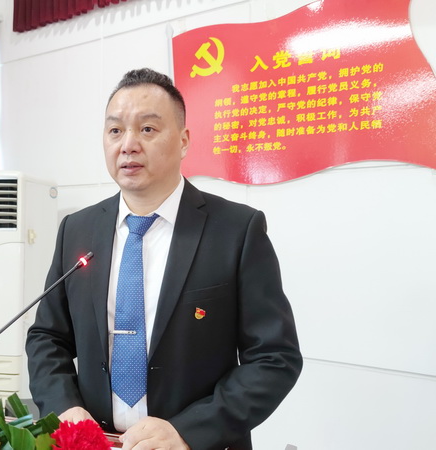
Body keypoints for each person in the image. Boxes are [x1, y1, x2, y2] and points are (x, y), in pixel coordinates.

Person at [26, 68, 302, 450]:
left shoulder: (236, 230)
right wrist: (64, 408)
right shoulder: (77, 229)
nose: (128, 145)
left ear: (184, 140)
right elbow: (47, 337)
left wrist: (188, 431)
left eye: (148, 129)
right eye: (115, 130)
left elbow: (274, 357)